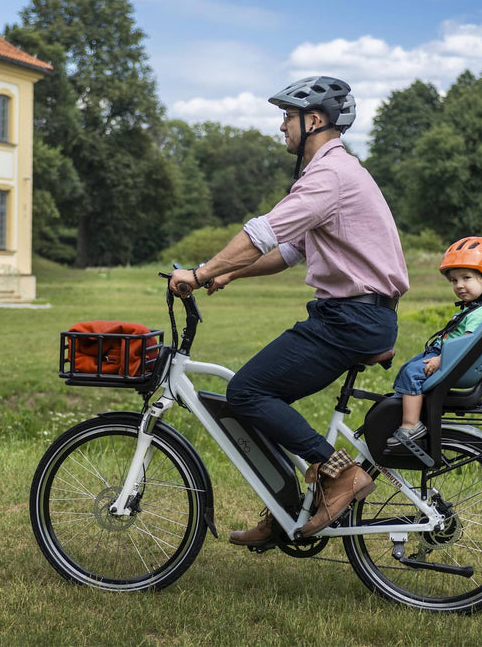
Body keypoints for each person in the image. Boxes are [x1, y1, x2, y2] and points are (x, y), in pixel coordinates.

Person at [168, 76, 409, 544]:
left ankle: (341, 476)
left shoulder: (328, 175)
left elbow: (264, 232)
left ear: (313, 120)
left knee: (247, 392)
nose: (281, 127)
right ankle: (287, 509)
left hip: (350, 318)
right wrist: (230, 273)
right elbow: (291, 250)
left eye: (287, 118)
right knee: (261, 401)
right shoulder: (334, 173)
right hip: (355, 315)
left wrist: (198, 274)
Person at [387, 237, 482, 453]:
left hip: (452, 360)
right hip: (447, 356)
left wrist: (442, 359)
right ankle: (407, 410)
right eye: (454, 281)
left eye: (467, 278)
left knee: (413, 374)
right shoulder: (477, 307)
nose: (459, 285)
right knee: (407, 371)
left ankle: (410, 426)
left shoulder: (480, 312)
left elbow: (469, 345)